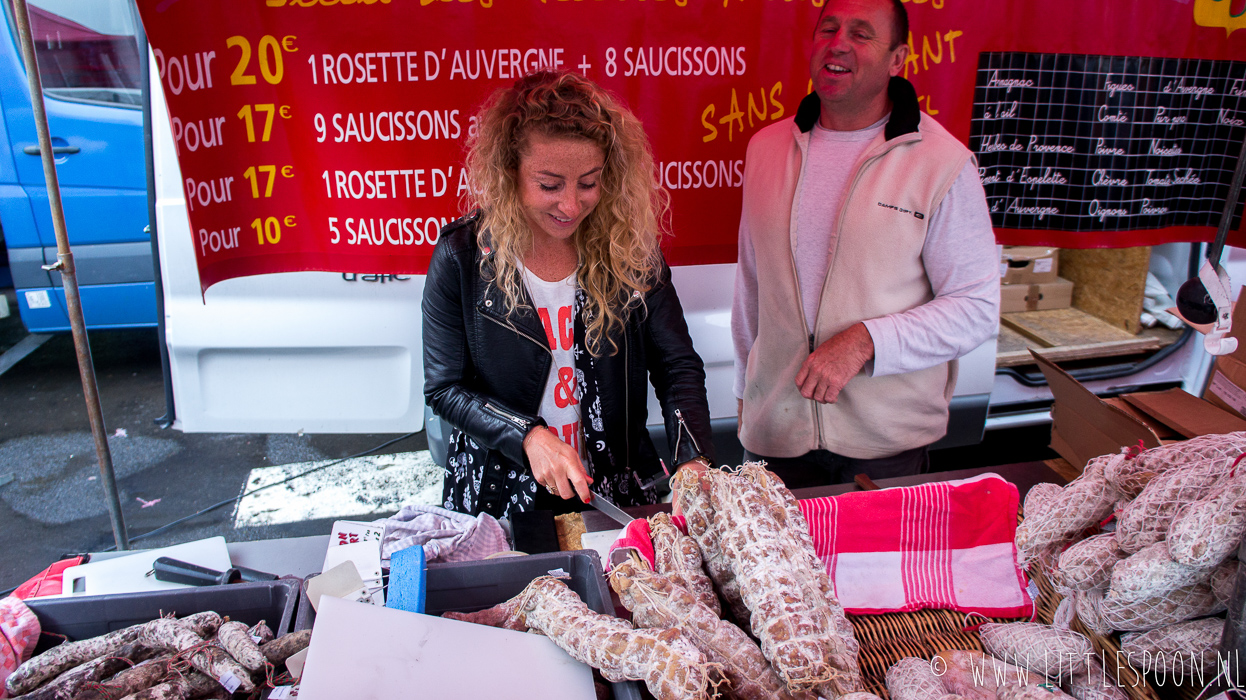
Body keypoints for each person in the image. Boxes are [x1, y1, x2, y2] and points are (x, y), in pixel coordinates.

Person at [423, 71, 715, 518]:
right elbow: (445, 387)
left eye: (588, 182)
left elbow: (676, 366)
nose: (572, 205)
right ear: (509, 172)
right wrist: (527, 435)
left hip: (612, 489)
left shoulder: (628, 249)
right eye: (549, 185)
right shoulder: (463, 256)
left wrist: (691, 460)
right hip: (498, 495)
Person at [732, 0, 999, 488]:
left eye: (861, 34)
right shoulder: (765, 148)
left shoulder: (942, 163)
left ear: (897, 59)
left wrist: (865, 342)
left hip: (885, 449)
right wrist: (745, 397)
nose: (838, 45)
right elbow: (752, 286)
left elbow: (976, 308)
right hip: (776, 439)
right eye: (828, 29)